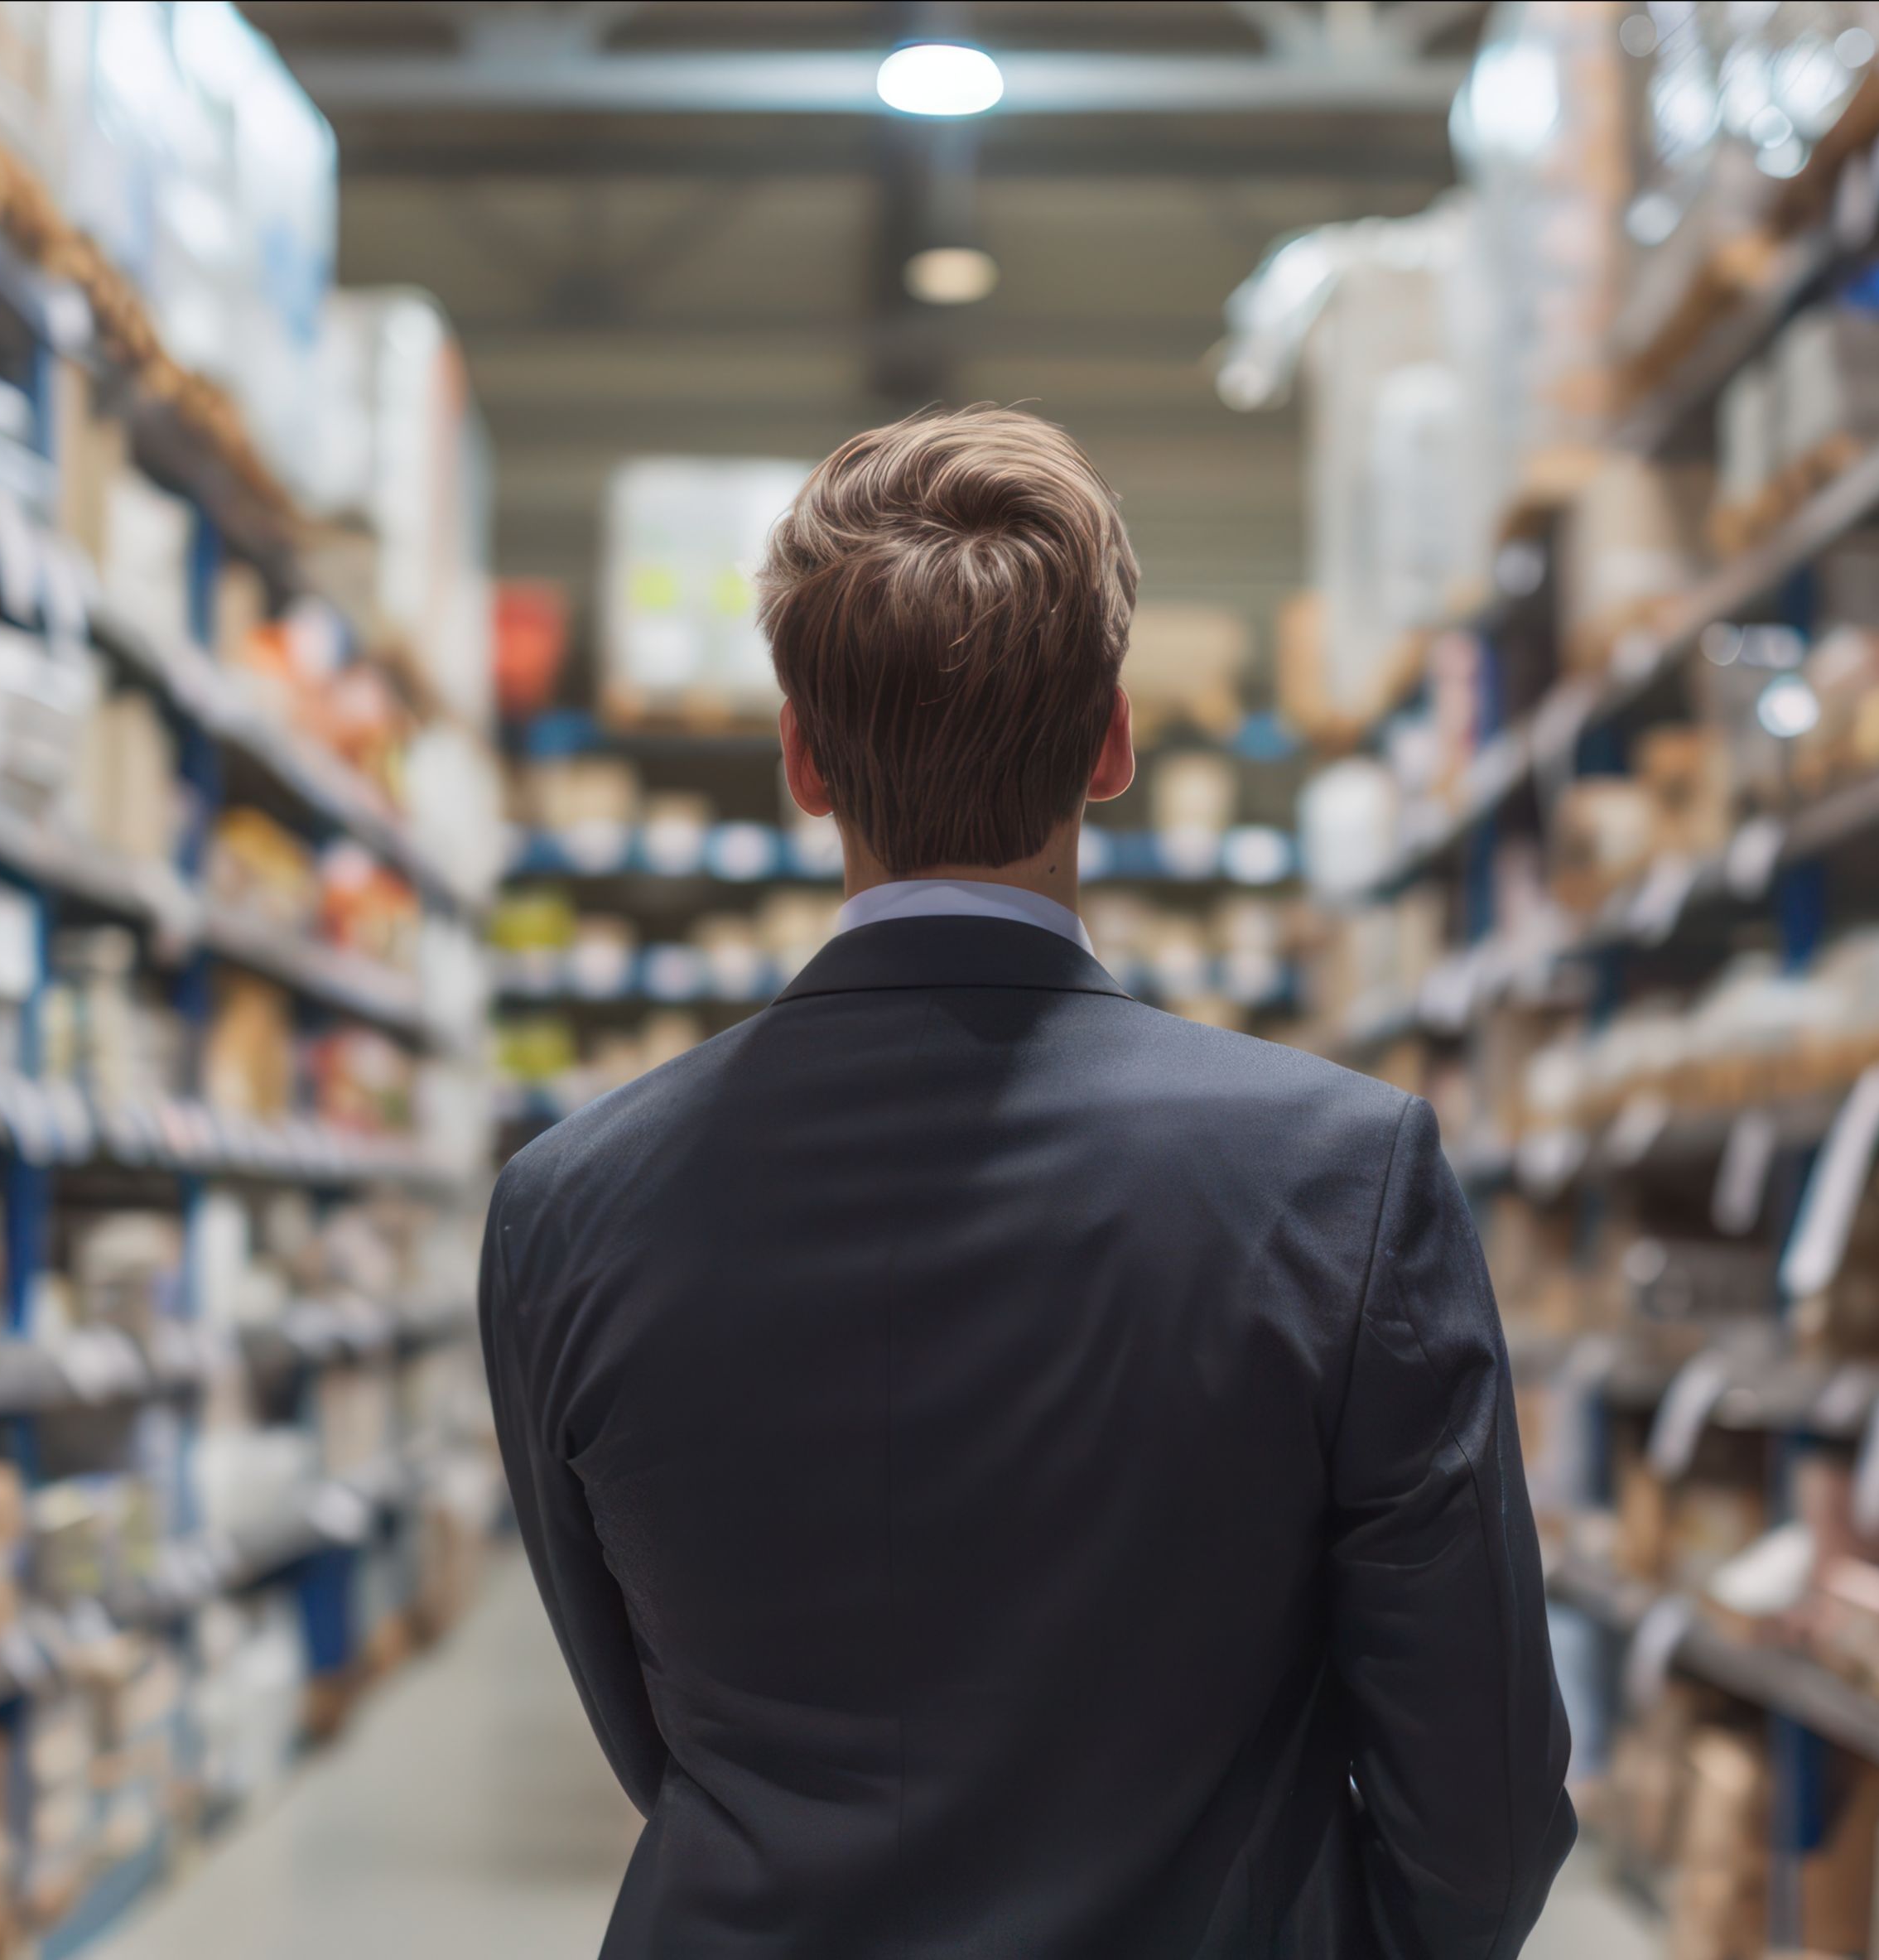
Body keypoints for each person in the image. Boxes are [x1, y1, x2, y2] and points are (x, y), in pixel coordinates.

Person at [481, 405, 1575, 1958]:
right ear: (1114, 739)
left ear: (800, 757)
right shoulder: (1341, 1179)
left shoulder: (566, 1206)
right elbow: (1486, 1802)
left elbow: (648, 1731)